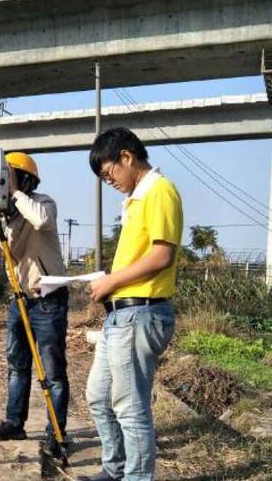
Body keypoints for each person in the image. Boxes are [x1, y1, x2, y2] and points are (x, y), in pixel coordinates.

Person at [83, 127, 183, 481]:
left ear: (127, 156)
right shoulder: (139, 198)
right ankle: (117, 468)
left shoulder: (159, 190)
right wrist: (109, 285)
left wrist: (111, 280)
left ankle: (136, 476)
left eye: (109, 174)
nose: (109, 182)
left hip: (140, 314)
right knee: (98, 396)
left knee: (130, 408)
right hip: (121, 316)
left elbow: (162, 255)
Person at [0, 151, 69, 458]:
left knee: (53, 371)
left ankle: (57, 432)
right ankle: (14, 422)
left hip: (48, 299)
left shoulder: (42, 202)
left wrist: (16, 191)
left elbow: (42, 220)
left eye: (7, 176)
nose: (2, 185)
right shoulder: (4, 217)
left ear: (23, 179)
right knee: (16, 366)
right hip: (19, 299)